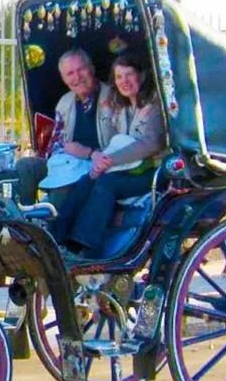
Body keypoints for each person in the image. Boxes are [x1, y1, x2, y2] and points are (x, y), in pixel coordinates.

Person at [49, 52, 167, 257]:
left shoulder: (153, 104)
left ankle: (85, 245)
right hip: (129, 168)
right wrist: (100, 164)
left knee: (107, 184)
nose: (124, 81)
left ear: (142, 75)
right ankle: (56, 238)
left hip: (154, 171)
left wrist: (108, 160)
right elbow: (117, 143)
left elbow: (150, 144)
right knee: (87, 180)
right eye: (119, 77)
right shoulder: (123, 107)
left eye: (129, 74)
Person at [16, 48, 117, 204]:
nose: (77, 77)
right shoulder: (65, 102)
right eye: (70, 73)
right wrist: (50, 160)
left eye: (81, 69)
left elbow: (123, 143)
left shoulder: (113, 98)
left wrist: (88, 153)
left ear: (91, 69)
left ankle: (51, 225)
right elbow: (57, 143)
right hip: (67, 162)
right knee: (26, 166)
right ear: (64, 79)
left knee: (63, 185)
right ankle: (24, 221)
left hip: (97, 163)